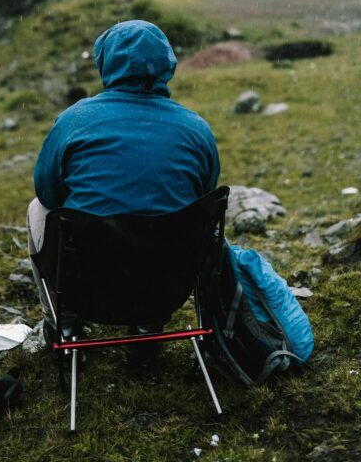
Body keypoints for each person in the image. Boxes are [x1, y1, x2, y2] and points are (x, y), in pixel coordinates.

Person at [27, 19, 220, 353]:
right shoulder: (196, 128)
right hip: (166, 285)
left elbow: (48, 192)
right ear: (167, 63)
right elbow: (204, 197)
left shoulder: (74, 120)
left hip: (89, 282)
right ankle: (148, 324)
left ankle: (64, 323)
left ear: (107, 63)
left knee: (37, 208)